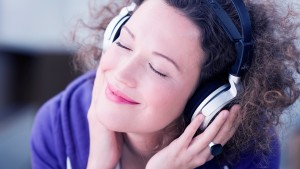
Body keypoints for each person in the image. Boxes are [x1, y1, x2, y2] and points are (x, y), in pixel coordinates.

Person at [30, 0, 300, 168]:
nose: (122, 73)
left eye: (158, 69)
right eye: (124, 43)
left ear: (209, 99)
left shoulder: (249, 154)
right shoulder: (57, 126)